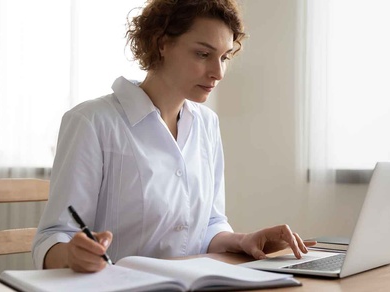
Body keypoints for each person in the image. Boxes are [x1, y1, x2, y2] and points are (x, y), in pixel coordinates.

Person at [32, 0, 316, 273]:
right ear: (161, 43)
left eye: (224, 57)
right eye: (203, 54)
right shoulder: (92, 122)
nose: (218, 72)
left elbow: (210, 223)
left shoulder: (207, 124)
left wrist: (242, 240)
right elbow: (53, 237)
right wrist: (71, 254)